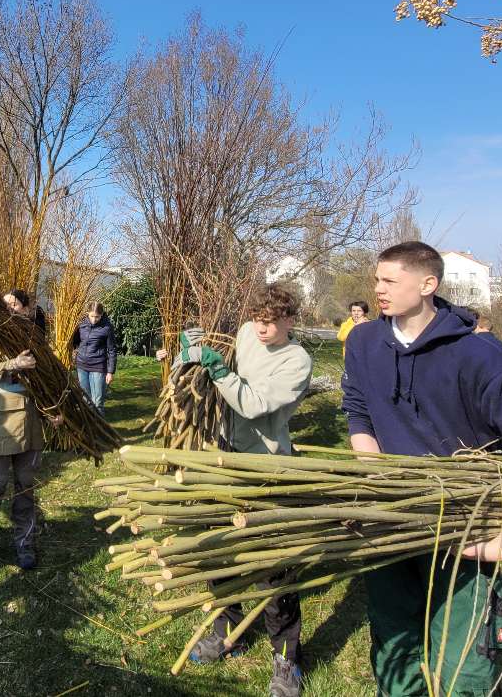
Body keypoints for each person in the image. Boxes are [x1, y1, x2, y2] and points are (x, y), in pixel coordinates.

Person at [341, 242, 502, 697]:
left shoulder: (479, 357)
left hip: (461, 526)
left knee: (464, 667)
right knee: (394, 651)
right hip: (388, 522)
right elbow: (358, 408)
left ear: (428, 284)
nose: (378, 290)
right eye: (377, 280)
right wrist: (373, 468)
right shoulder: (364, 341)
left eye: (389, 281)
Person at [173, 285, 312, 697]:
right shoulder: (249, 334)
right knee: (222, 554)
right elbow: (220, 360)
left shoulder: (297, 361)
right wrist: (191, 352)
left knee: (272, 569)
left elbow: (251, 403)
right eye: (256, 319)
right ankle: (227, 631)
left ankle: (287, 659)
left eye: (270, 322)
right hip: (225, 455)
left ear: (289, 320)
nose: (260, 328)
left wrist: (217, 371)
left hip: (266, 467)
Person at [0, 291, 61, 575]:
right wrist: (14, 364)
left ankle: (25, 543)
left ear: (26, 309)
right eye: (6, 303)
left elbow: (47, 377)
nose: (10, 307)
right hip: (0, 421)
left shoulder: (34, 336)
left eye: (15, 303)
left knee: (26, 489)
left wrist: (53, 411)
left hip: (31, 420)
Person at [70, 302, 117, 416]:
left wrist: (110, 372)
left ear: (102, 315)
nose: (94, 319)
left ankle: (100, 428)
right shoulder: (81, 325)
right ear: (87, 314)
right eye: (92, 316)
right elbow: (75, 342)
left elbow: (112, 350)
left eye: (97, 317)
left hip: (98, 366)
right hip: (82, 366)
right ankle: (89, 428)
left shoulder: (107, 327)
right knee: (86, 400)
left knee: (97, 402)